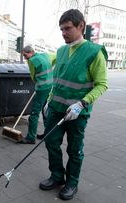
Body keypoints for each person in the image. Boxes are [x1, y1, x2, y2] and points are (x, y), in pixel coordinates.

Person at [39, 9, 108, 200]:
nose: (63, 33)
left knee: (74, 149)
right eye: (61, 29)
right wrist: (49, 101)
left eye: (68, 28)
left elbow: (102, 84)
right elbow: (58, 80)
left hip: (77, 114)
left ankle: (72, 183)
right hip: (55, 109)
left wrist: (82, 104)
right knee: (51, 143)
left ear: (81, 27)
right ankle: (56, 176)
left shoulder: (94, 53)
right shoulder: (61, 51)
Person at [17, 45, 53, 144]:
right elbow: (54, 58)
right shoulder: (45, 56)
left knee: (34, 114)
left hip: (42, 88)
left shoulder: (32, 61)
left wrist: (37, 85)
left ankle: (30, 137)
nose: (25, 58)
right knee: (45, 110)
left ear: (31, 52)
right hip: (50, 86)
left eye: (25, 55)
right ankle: (48, 134)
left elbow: (33, 76)